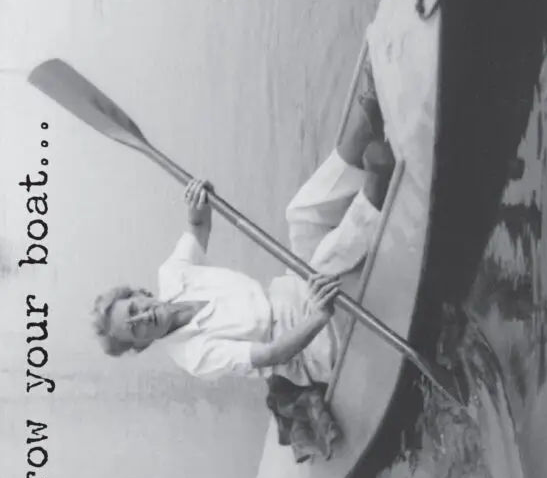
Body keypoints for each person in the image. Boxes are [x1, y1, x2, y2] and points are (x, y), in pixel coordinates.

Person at [92, 77, 394, 388]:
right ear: (142, 344)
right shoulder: (193, 356)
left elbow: (198, 226)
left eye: (133, 309)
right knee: (323, 265)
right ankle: (376, 191)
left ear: (140, 294)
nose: (143, 317)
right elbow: (272, 354)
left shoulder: (173, 274)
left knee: (300, 215)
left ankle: (365, 126)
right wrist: (319, 314)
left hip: (290, 289)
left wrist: (198, 200)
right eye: (135, 328)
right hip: (311, 344)